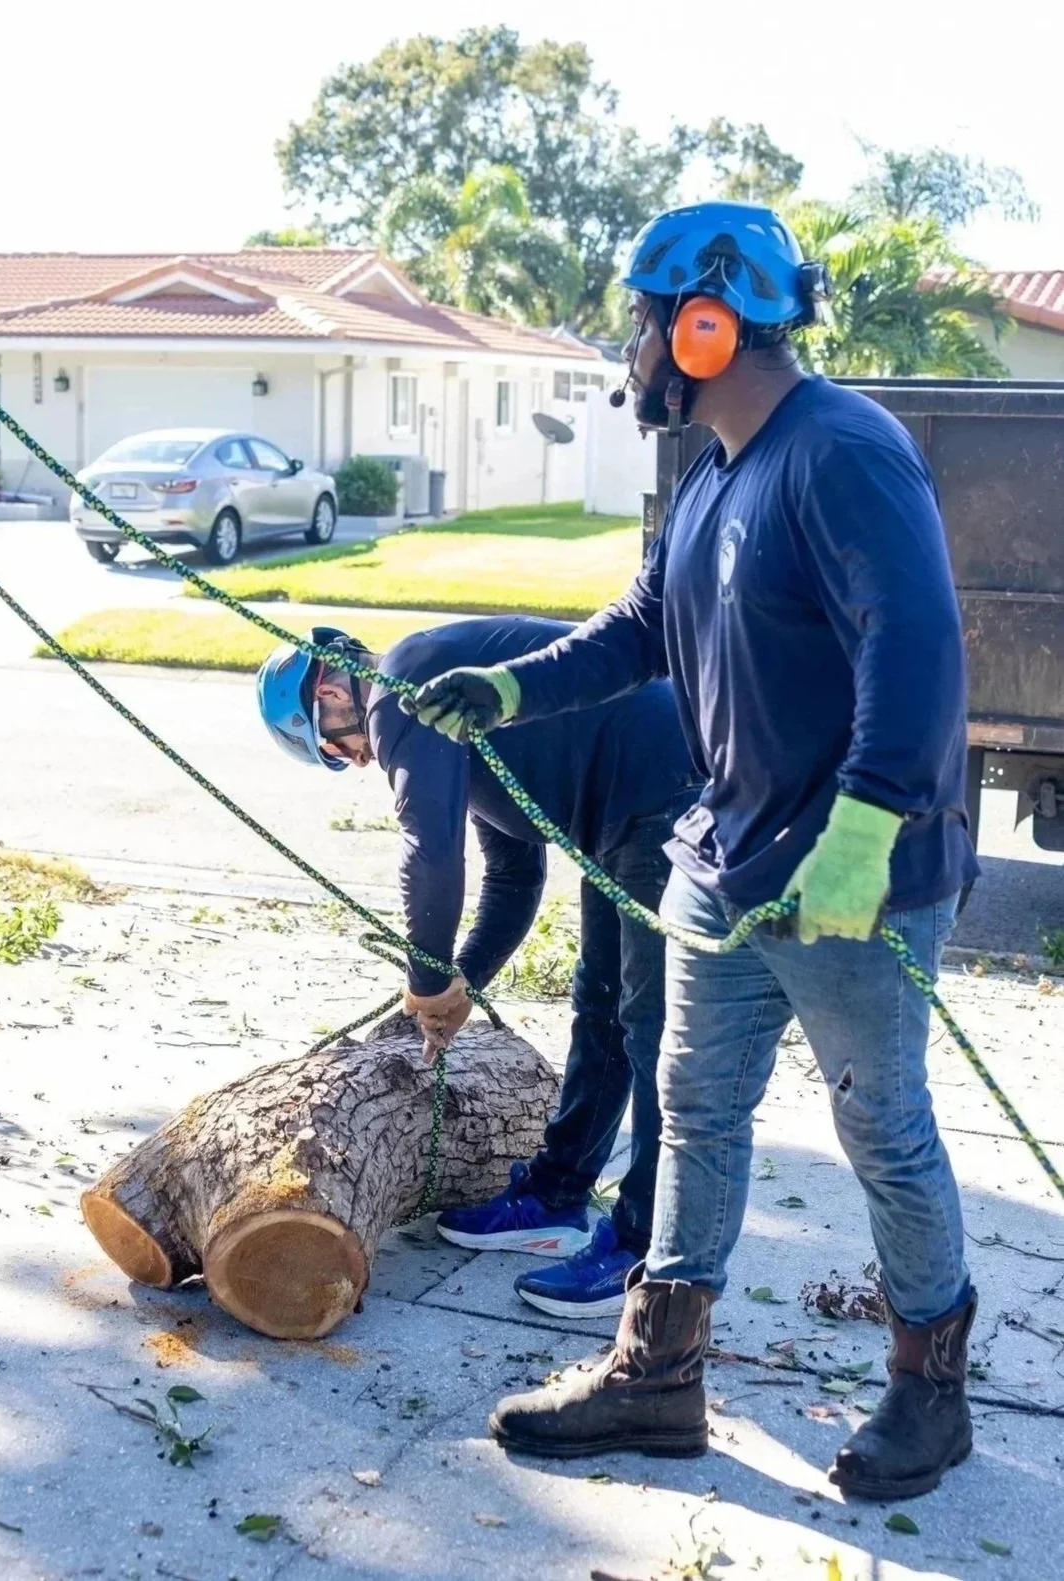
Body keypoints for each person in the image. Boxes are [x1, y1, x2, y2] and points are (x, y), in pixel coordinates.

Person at [405, 201, 979, 1502]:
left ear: (708, 323)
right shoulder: (716, 475)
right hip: (722, 866)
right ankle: (657, 1379)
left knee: (882, 1129)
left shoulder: (843, 452)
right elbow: (633, 634)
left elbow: (919, 644)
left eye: (646, 323)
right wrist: (506, 692)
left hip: (852, 879)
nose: (634, 352)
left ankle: (926, 1392)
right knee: (697, 1117)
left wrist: (865, 828)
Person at [256, 618, 701, 1317]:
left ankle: (644, 1249)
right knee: (601, 1002)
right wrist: (460, 983)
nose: (359, 761)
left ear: (331, 694)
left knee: (647, 1025)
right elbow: (513, 876)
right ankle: (555, 1195)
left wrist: (427, 982)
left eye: (337, 749)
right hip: (621, 813)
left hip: (663, 791)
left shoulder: (403, 692)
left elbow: (430, 852)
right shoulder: (449, 709)